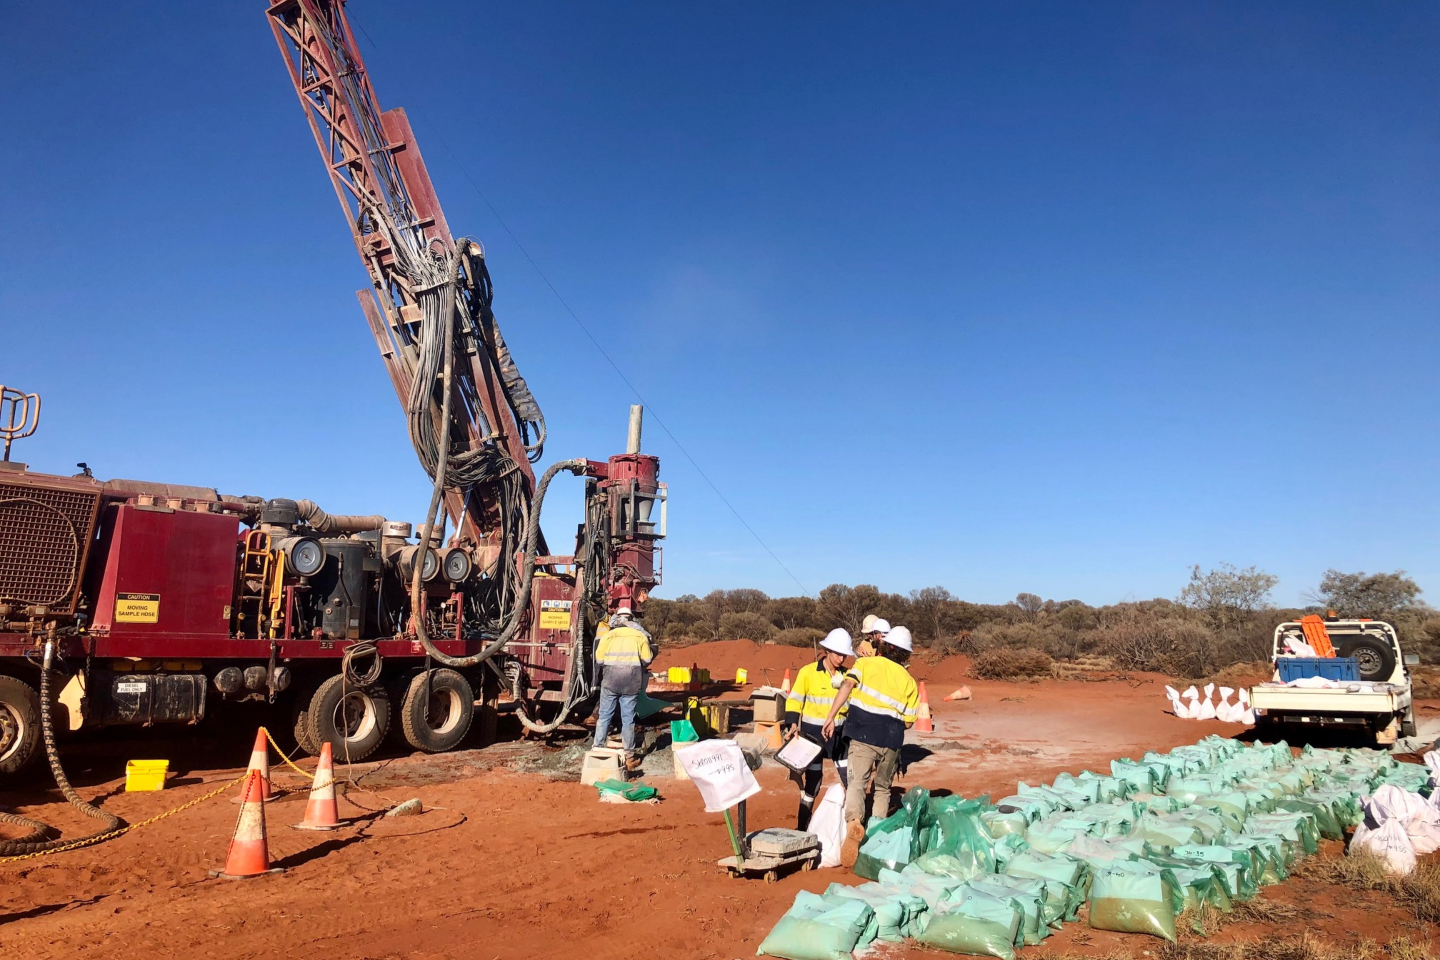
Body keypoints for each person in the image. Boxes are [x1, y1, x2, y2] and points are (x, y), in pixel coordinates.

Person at [821, 624, 918, 868]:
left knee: (857, 783)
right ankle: (875, 834)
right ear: (906, 654)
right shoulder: (910, 682)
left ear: (884, 646)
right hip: (891, 740)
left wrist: (831, 716)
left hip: (862, 734)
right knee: (883, 788)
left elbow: (846, 686)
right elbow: (908, 722)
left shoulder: (865, 665)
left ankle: (854, 822)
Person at [783, 628, 854, 830]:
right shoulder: (808, 673)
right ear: (828, 650)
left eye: (844, 654)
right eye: (838, 653)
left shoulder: (848, 677)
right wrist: (792, 723)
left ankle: (851, 828)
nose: (842, 658)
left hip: (840, 738)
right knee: (813, 783)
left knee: (850, 781)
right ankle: (802, 827)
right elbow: (794, 701)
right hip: (813, 738)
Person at [592, 605, 654, 773]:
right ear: (632, 619)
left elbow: (598, 660)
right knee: (628, 719)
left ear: (617, 619)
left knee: (604, 716)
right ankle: (629, 757)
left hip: (610, 682)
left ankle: (597, 749)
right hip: (631, 682)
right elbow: (647, 659)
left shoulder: (608, 636)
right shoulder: (639, 635)